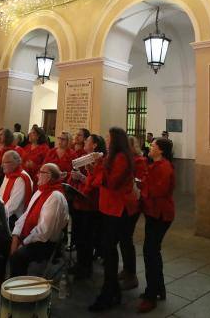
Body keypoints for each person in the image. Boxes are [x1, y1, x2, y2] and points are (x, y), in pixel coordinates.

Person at [0, 162, 68, 296]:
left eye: (40, 173)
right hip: (30, 235)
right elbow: (26, 216)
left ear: (49, 176)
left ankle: (15, 293)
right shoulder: (40, 191)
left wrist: (22, 243)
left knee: (15, 255)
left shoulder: (55, 197)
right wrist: (15, 236)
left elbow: (44, 231)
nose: (37, 175)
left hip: (44, 243)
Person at [88, 127, 137, 312]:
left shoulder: (121, 158)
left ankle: (109, 292)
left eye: (108, 137)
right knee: (108, 249)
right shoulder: (112, 157)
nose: (106, 140)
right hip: (110, 207)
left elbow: (112, 182)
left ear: (115, 140)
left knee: (109, 250)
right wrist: (95, 168)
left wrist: (99, 166)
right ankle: (112, 289)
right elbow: (103, 179)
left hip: (118, 209)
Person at [138, 137, 175, 313]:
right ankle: (158, 288)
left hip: (160, 214)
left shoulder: (165, 167)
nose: (149, 148)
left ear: (160, 150)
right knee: (152, 252)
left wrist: (141, 187)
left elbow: (159, 190)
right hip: (153, 212)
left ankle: (151, 295)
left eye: (152, 146)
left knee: (150, 253)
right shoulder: (154, 164)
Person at [69, 133, 105, 280]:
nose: (84, 142)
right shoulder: (84, 158)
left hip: (90, 204)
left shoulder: (99, 160)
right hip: (79, 200)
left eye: (88, 141)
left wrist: (83, 177)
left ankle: (85, 266)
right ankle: (79, 263)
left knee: (87, 238)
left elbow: (97, 183)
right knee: (79, 236)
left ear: (95, 145)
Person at [119, 135, 148, 291]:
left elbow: (141, 180)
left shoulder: (139, 160)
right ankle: (126, 269)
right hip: (123, 202)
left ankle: (132, 275)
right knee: (123, 238)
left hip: (133, 204)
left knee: (126, 238)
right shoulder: (126, 160)